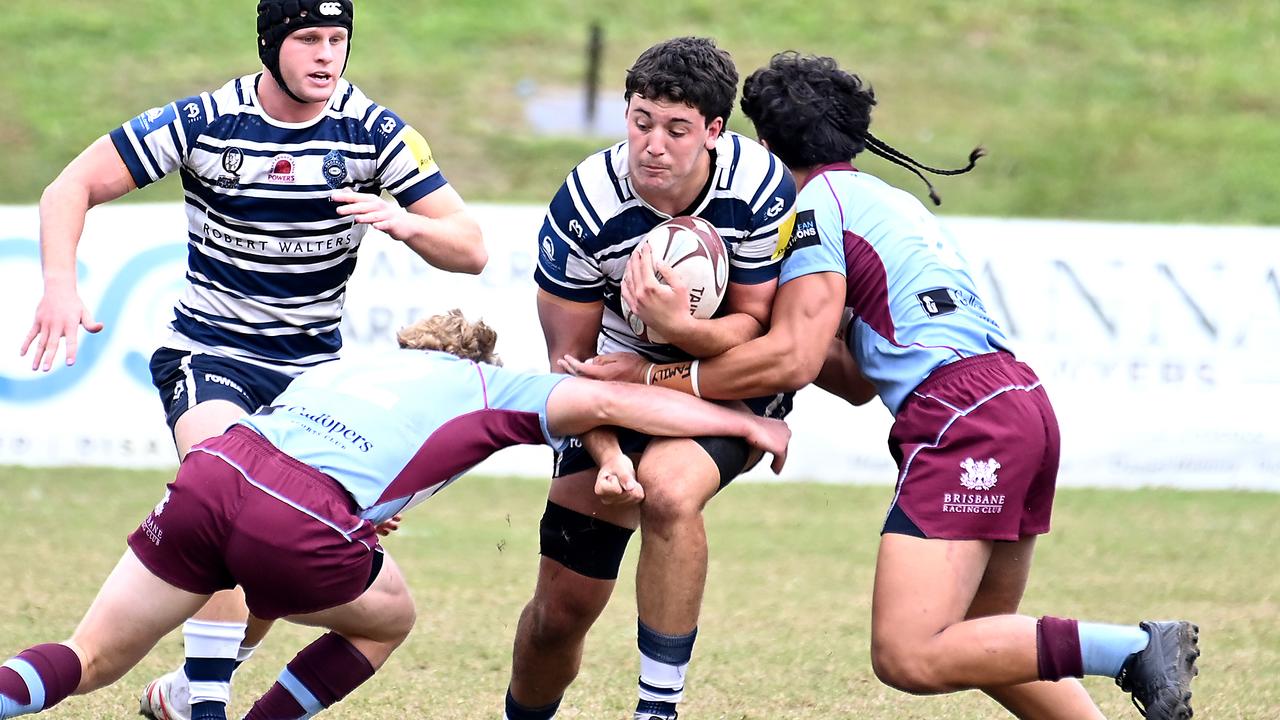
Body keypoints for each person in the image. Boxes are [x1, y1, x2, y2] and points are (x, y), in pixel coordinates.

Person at [565, 52, 1200, 720]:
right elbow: (854, 379)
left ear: (767, 146)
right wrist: (724, 331)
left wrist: (653, 362)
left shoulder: (814, 208)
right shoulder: (881, 202)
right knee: (987, 643)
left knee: (908, 653)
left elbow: (792, 362)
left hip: (962, 418)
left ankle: (1134, 647)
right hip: (1019, 404)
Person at [17, 2, 487, 719]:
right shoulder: (208, 119)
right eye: (309, 39)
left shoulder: (375, 130)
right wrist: (58, 285)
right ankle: (207, 701)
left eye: (338, 39)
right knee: (232, 482)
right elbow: (69, 187)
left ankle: (184, 691)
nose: (327, 56)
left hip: (310, 388)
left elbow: (471, 246)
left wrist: (407, 222)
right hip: (213, 355)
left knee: (256, 545)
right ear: (272, 44)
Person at [0, 310, 790, 720]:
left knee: (92, 656)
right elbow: (612, 398)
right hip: (300, 514)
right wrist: (747, 423)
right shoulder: (484, 384)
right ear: (471, 359)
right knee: (386, 620)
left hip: (219, 468)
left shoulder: (348, 364)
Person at [507, 37, 797, 720]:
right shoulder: (584, 203)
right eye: (640, 121)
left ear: (715, 132)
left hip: (722, 378)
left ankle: (657, 710)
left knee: (668, 492)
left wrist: (679, 332)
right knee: (561, 612)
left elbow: (753, 323)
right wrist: (607, 456)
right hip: (608, 386)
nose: (653, 145)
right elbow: (568, 368)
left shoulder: (758, 188)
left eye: (676, 129)